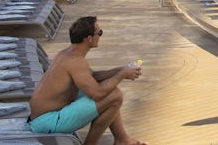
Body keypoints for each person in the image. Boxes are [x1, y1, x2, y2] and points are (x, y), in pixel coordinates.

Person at [28, 17, 145, 145]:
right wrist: (121, 75)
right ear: (89, 38)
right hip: (47, 122)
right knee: (114, 95)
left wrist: (120, 69)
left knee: (110, 92)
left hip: (39, 118)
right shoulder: (75, 61)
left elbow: (92, 76)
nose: (100, 36)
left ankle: (122, 139)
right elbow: (97, 94)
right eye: (100, 32)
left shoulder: (66, 54)